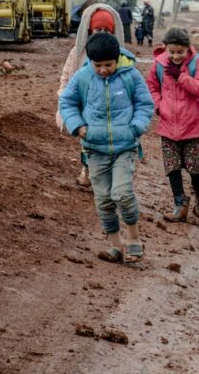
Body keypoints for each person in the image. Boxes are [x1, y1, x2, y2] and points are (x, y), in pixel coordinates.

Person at [59, 32, 154, 263]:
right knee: (103, 199)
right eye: (97, 65)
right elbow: (67, 102)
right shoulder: (83, 77)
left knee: (122, 193)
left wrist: (136, 127)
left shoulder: (130, 75)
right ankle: (115, 245)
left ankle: (134, 240)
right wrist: (78, 126)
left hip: (125, 147)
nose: (103, 69)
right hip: (95, 149)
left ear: (117, 59)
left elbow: (145, 103)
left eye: (108, 65)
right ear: (90, 62)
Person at [148, 27, 199, 222]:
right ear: (165, 48)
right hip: (168, 125)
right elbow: (151, 87)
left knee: (194, 167)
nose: (176, 56)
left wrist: (181, 76)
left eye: (180, 52)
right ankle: (180, 204)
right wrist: (159, 106)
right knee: (173, 167)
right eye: (172, 52)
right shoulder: (158, 64)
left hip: (192, 125)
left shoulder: (197, 63)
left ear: (188, 48)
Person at [56, 4, 124, 188]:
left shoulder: (119, 55)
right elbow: (67, 77)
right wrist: (64, 102)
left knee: (108, 142)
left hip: (110, 106)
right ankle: (87, 169)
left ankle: (105, 175)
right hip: (86, 106)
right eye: (98, 29)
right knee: (87, 142)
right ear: (89, 29)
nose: (101, 33)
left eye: (106, 30)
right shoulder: (78, 53)